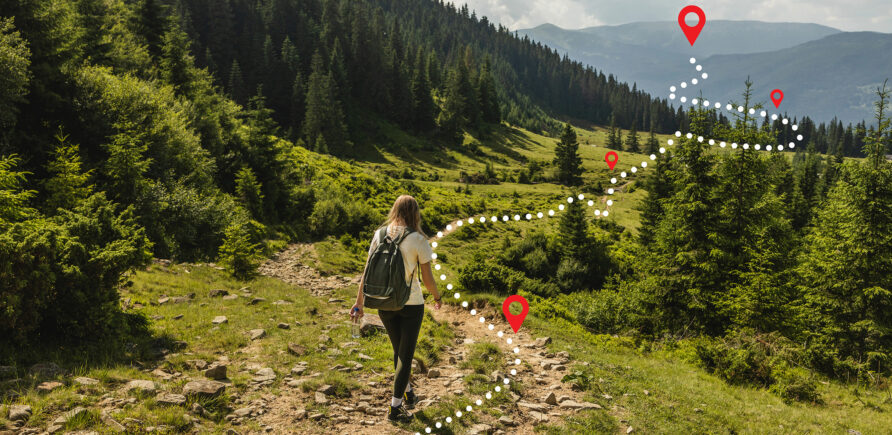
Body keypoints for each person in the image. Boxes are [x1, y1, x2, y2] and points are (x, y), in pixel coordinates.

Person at [351, 195, 442, 423]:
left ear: (395, 210)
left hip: (383, 302)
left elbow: (367, 271)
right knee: (406, 353)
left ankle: (409, 393)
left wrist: (359, 303)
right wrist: (437, 296)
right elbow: (428, 280)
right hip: (411, 305)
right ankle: (395, 408)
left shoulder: (379, 234)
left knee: (398, 350)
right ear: (415, 213)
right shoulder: (418, 239)